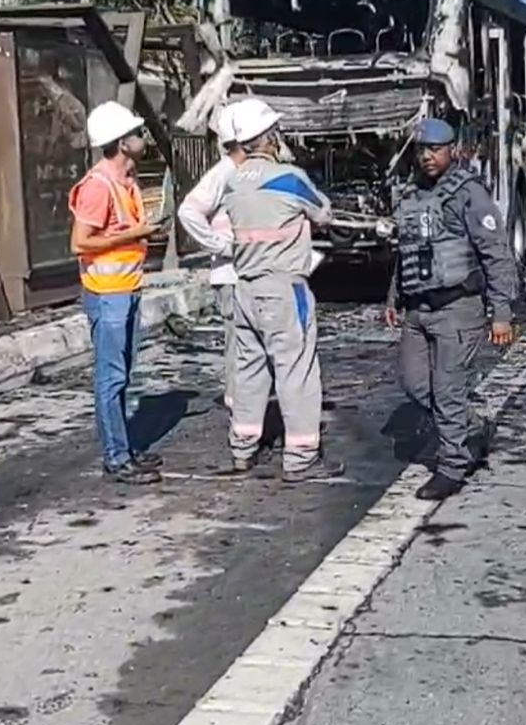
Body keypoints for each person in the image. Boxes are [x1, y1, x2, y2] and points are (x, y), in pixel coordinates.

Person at [385, 118, 518, 501]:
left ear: (453, 150)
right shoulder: (411, 194)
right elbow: (406, 250)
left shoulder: (470, 194)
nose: (427, 156)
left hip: (459, 307)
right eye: (422, 149)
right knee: (414, 384)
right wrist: (394, 296)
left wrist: (502, 312)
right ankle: (470, 426)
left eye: (435, 149)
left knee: (447, 389)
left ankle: (453, 466)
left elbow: (496, 253)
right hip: (418, 309)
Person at [221, 101, 341, 484]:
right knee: (296, 370)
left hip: (244, 289)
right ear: (271, 138)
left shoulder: (233, 181)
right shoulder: (288, 177)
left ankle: (242, 449)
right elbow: (324, 212)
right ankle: (302, 456)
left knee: (248, 370)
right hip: (284, 289)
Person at [69, 101, 166, 485]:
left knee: (121, 375)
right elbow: (80, 242)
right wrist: (138, 234)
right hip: (107, 294)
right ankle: (116, 457)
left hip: (126, 289)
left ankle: (123, 449)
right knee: (110, 378)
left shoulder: (126, 181)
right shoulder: (99, 185)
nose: (142, 137)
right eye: (136, 133)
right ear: (121, 143)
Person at [177, 100, 257, 411]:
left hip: (248, 272)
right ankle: (239, 404)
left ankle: (250, 402)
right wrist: (221, 245)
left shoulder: (247, 173)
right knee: (239, 343)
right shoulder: (224, 173)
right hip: (231, 275)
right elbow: (188, 211)